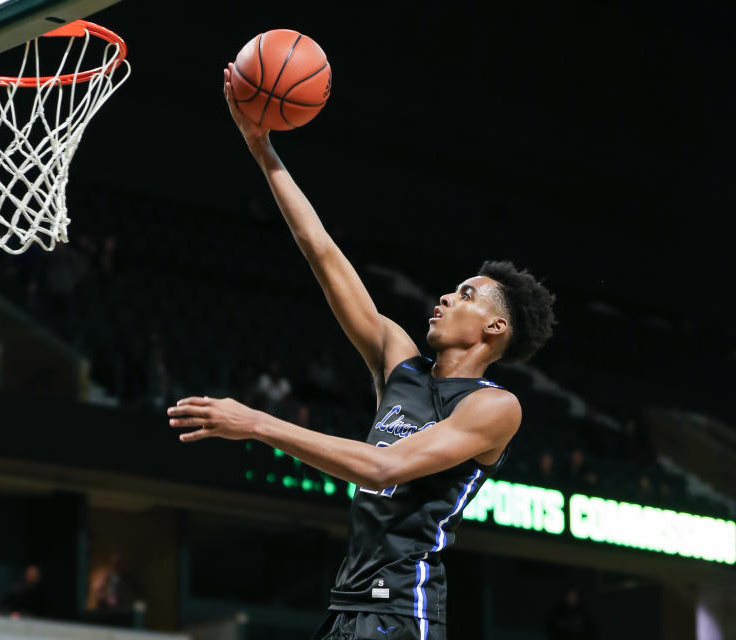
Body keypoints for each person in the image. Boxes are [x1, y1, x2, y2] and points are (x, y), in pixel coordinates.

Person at [164, 66, 557, 640]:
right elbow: (320, 250)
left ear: (495, 328)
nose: (447, 295)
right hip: (348, 603)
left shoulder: (495, 408)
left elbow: (384, 467)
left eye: (466, 294)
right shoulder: (397, 359)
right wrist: (261, 147)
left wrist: (256, 423)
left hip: (403, 609)